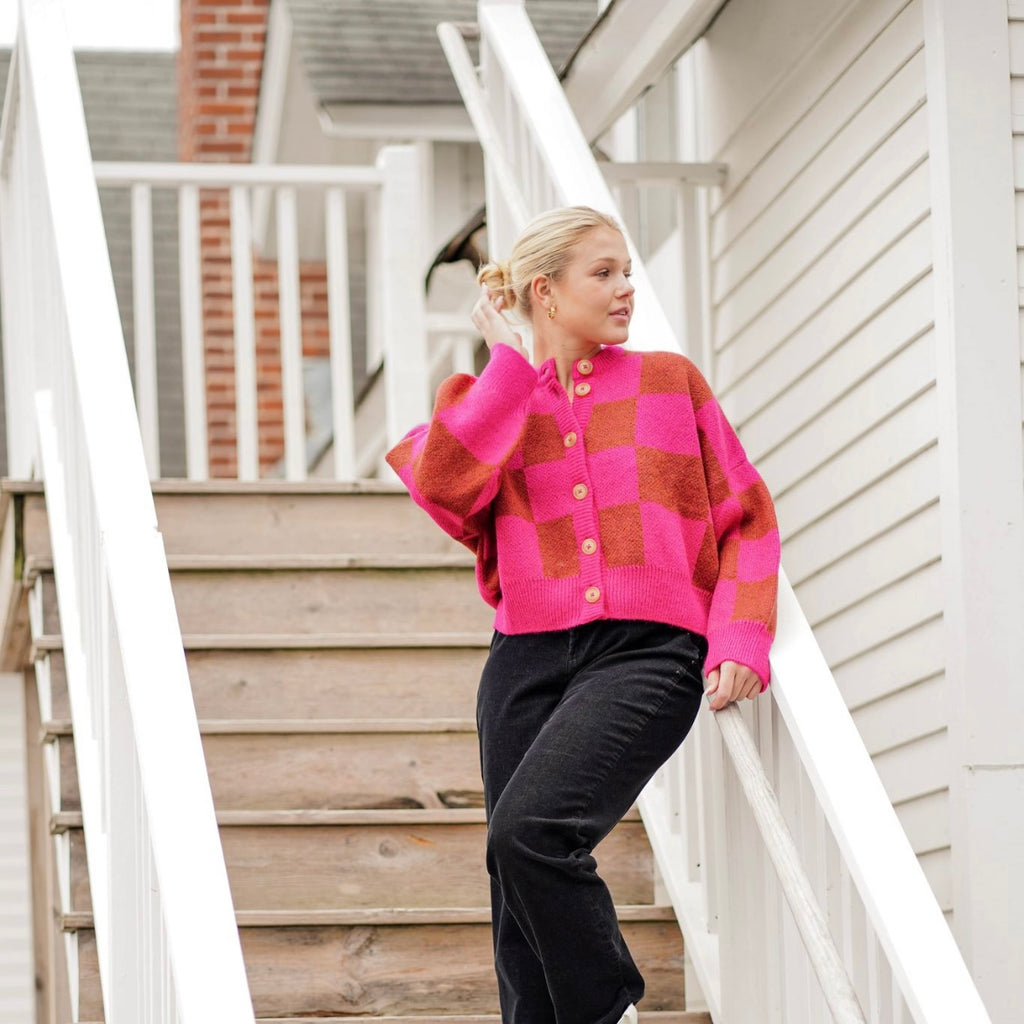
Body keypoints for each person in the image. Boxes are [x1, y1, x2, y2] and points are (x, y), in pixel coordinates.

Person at [386, 206, 780, 1024]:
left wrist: (741, 632)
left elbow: (746, 518)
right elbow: (447, 489)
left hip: (648, 652)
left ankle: (606, 1011)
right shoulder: (488, 402)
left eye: (626, 270)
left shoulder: (669, 383)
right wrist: (509, 365)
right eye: (604, 273)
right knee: (513, 888)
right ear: (545, 291)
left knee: (531, 832)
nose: (627, 287)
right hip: (523, 658)